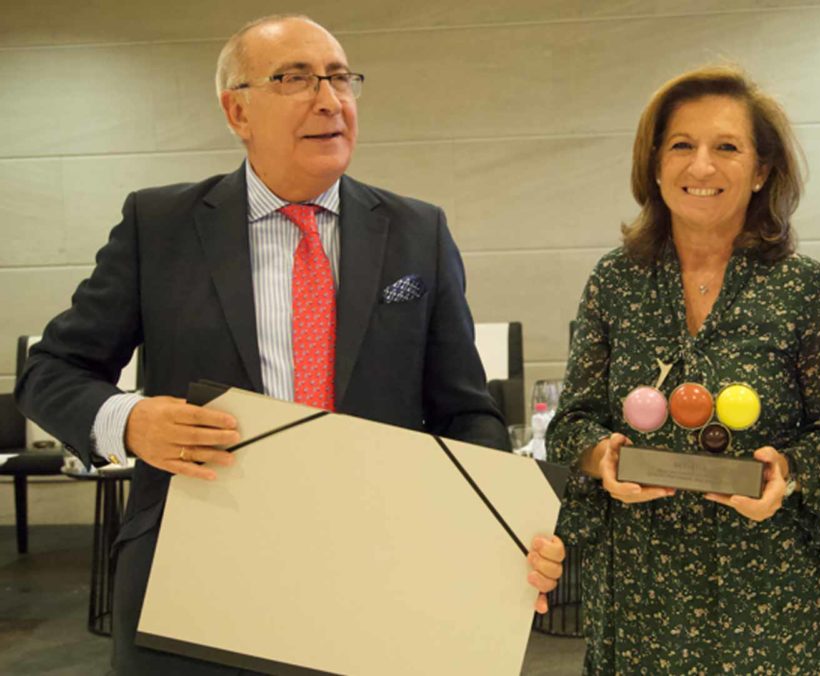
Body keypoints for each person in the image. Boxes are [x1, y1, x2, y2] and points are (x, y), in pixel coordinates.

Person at [15, 15, 564, 675]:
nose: (329, 99)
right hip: (197, 582)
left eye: (339, 78)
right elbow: (51, 371)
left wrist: (503, 528)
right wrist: (130, 421)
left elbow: (463, 410)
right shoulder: (159, 227)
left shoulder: (416, 231)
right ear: (236, 110)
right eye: (295, 79)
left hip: (378, 576)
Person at [546, 66, 820, 673]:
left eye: (727, 147)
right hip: (638, 597)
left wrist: (785, 472)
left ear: (762, 170)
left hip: (767, 599)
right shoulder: (615, 282)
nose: (702, 167)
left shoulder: (802, 288)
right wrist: (600, 456)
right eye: (682, 145)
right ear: (655, 165)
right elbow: (569, 425)